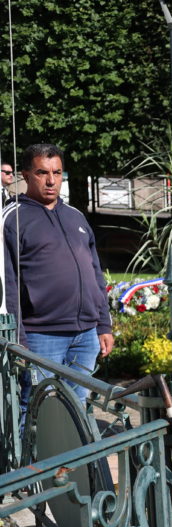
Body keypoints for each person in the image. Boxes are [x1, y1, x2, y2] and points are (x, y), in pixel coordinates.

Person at [1, 143, 113, 406]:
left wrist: (103, 325)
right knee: (38, 409)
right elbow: (7, 283)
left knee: (77, 408)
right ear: (25, 175)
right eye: (42, 173)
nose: (51, 181)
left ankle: (76, 449)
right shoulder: (11, 218)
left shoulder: (76, 217)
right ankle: (35, 450)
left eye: (58, 172)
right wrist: (17, 339)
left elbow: (95, 274)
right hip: (41, 336)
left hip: (85, 335)